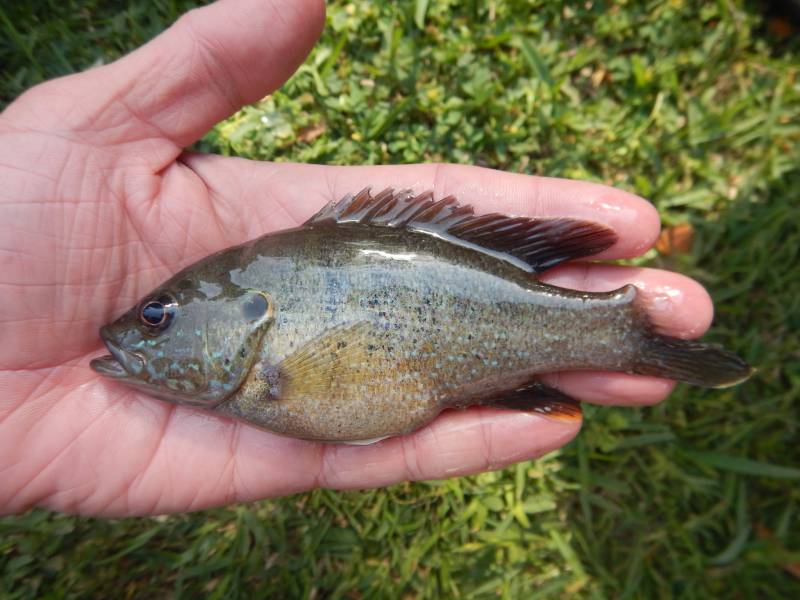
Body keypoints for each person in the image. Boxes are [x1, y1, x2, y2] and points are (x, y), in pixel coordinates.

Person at [0, 0, 714, 516]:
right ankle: (631, 337)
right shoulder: (259, 363)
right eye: (155, 317)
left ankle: (621, 331)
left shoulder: (264, 353)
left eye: (159, 317)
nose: (138, 329)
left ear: (251, 313)